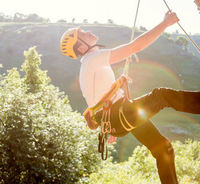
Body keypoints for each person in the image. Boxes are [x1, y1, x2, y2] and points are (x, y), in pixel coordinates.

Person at [60, 11, 200, 184]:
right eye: (82, 34)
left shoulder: (90, 64)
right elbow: (136, 46)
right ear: (81, 48)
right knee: (161, 96)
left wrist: (108, 125)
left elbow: (94, 99)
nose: (88, 32)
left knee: (163, 149)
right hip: (119, 115)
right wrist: (165, 23)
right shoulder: (92, 59)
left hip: (117, 117)